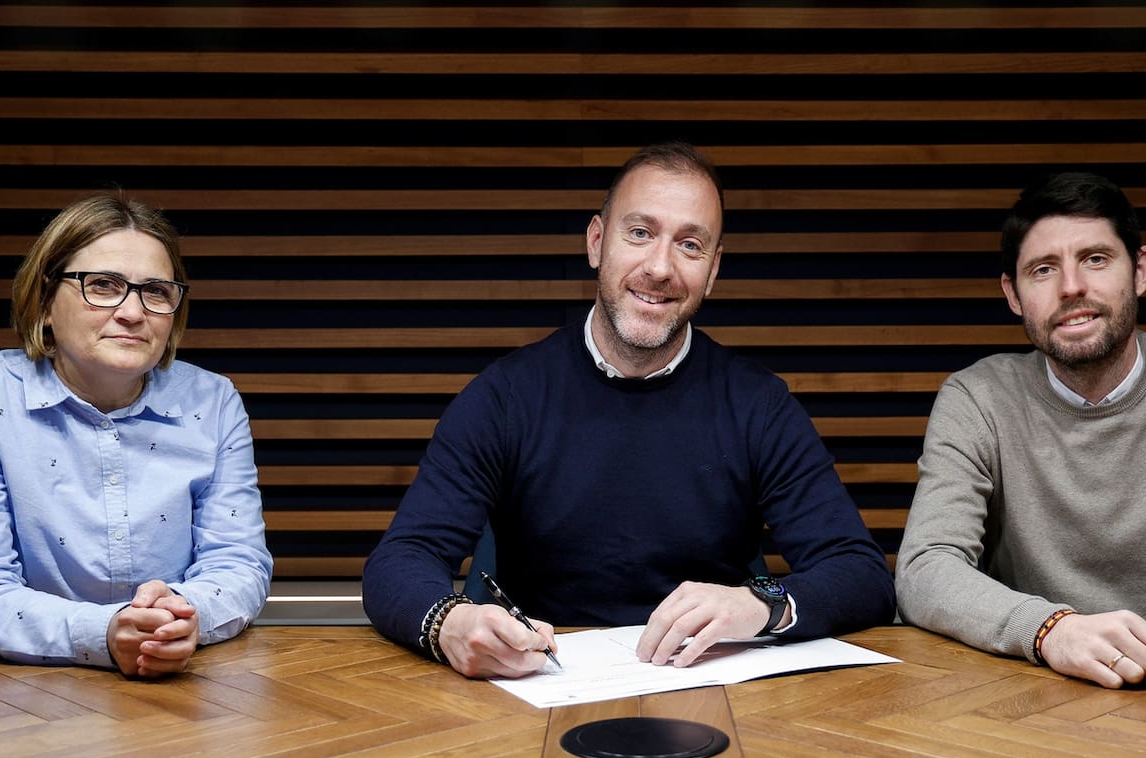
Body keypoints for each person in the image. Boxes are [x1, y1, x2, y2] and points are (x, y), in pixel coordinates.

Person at [363, 141, 895, 678]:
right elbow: (399, 562)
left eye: (690, 245)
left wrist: (762, 606)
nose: (659, 267)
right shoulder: (504, 397)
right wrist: (448, 622)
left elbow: (860, 573)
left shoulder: (759, 406)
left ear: (712, 270)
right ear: (597, 242)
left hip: (712, 690)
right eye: (639, 233)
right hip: (538, 689)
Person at [896, 171, 1146, 690]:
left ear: (1141, 270)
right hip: (1029, 692)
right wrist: (1052, 630)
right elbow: (926, 568)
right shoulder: (978, 398)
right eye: (1042, 269)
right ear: (1014, 294)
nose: (1071, 287)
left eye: (1095, 260)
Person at [0, 192, 273, 677]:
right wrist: (104, 632)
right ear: (43, 301)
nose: (132, 311)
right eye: (103, 285)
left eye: (157, 291)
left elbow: (239, 562)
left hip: (187, 686)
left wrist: (186, 615)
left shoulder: (213, 400)